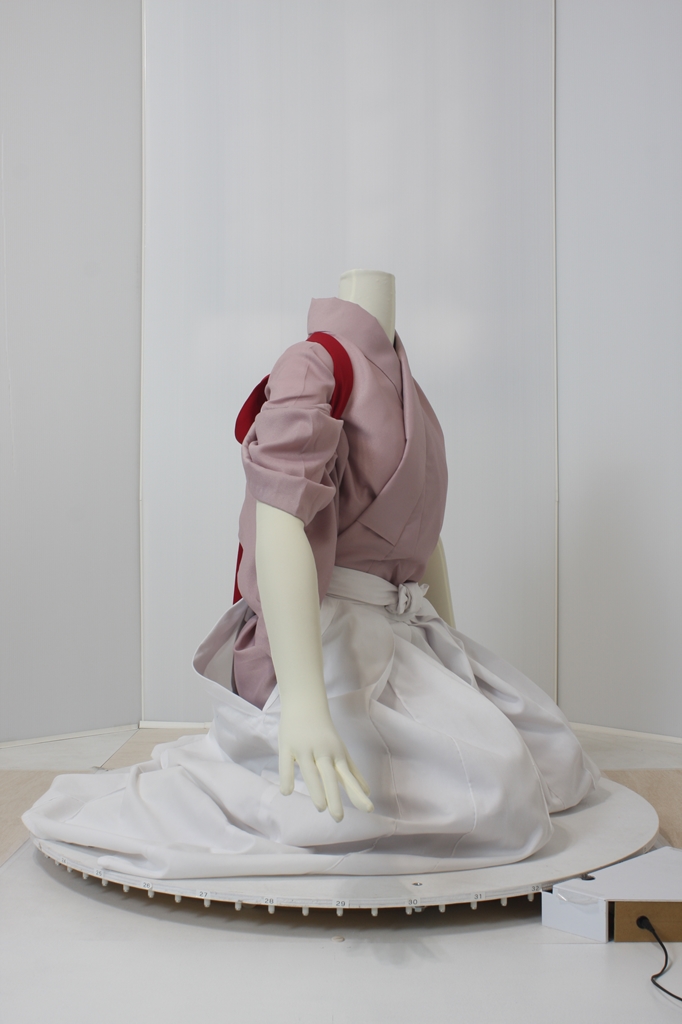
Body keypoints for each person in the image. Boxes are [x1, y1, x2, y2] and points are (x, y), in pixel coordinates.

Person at [23, 271, 598, 880]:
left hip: (404, 631)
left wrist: (454, 656)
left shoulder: (410, 387)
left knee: (552, 758)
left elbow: (425, 539)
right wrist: (302, 703)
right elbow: (278, 521)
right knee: (496, 791)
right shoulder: (313, 366)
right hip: (329, 632)